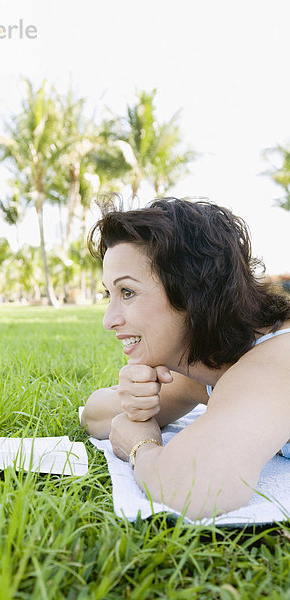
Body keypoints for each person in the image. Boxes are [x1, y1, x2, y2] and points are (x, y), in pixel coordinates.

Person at [80, 197, 290, 520]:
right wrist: (134, 401)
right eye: (110, 294)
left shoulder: (273, 361)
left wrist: (141, 446)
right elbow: (93, 414)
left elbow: (195, 487)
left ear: (192, 293)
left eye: (127, 293)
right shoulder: (203, 368)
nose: (108, 320)